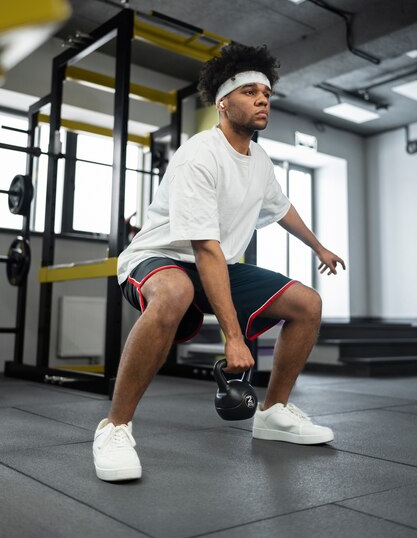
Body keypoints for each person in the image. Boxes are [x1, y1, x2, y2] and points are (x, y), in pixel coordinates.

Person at [93, 43, 346, 482]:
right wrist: (233, 338)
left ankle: (274, 413)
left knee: (307, 304)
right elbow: (205, 247)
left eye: (266, 93)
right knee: (177, 290)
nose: (262, 99)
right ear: (223, 102)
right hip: (161, 255)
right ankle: (114, 427)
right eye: (250, 92)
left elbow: (281, 207)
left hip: (213, 262)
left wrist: (318, 247)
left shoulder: (259, 159)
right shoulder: (200, 155)